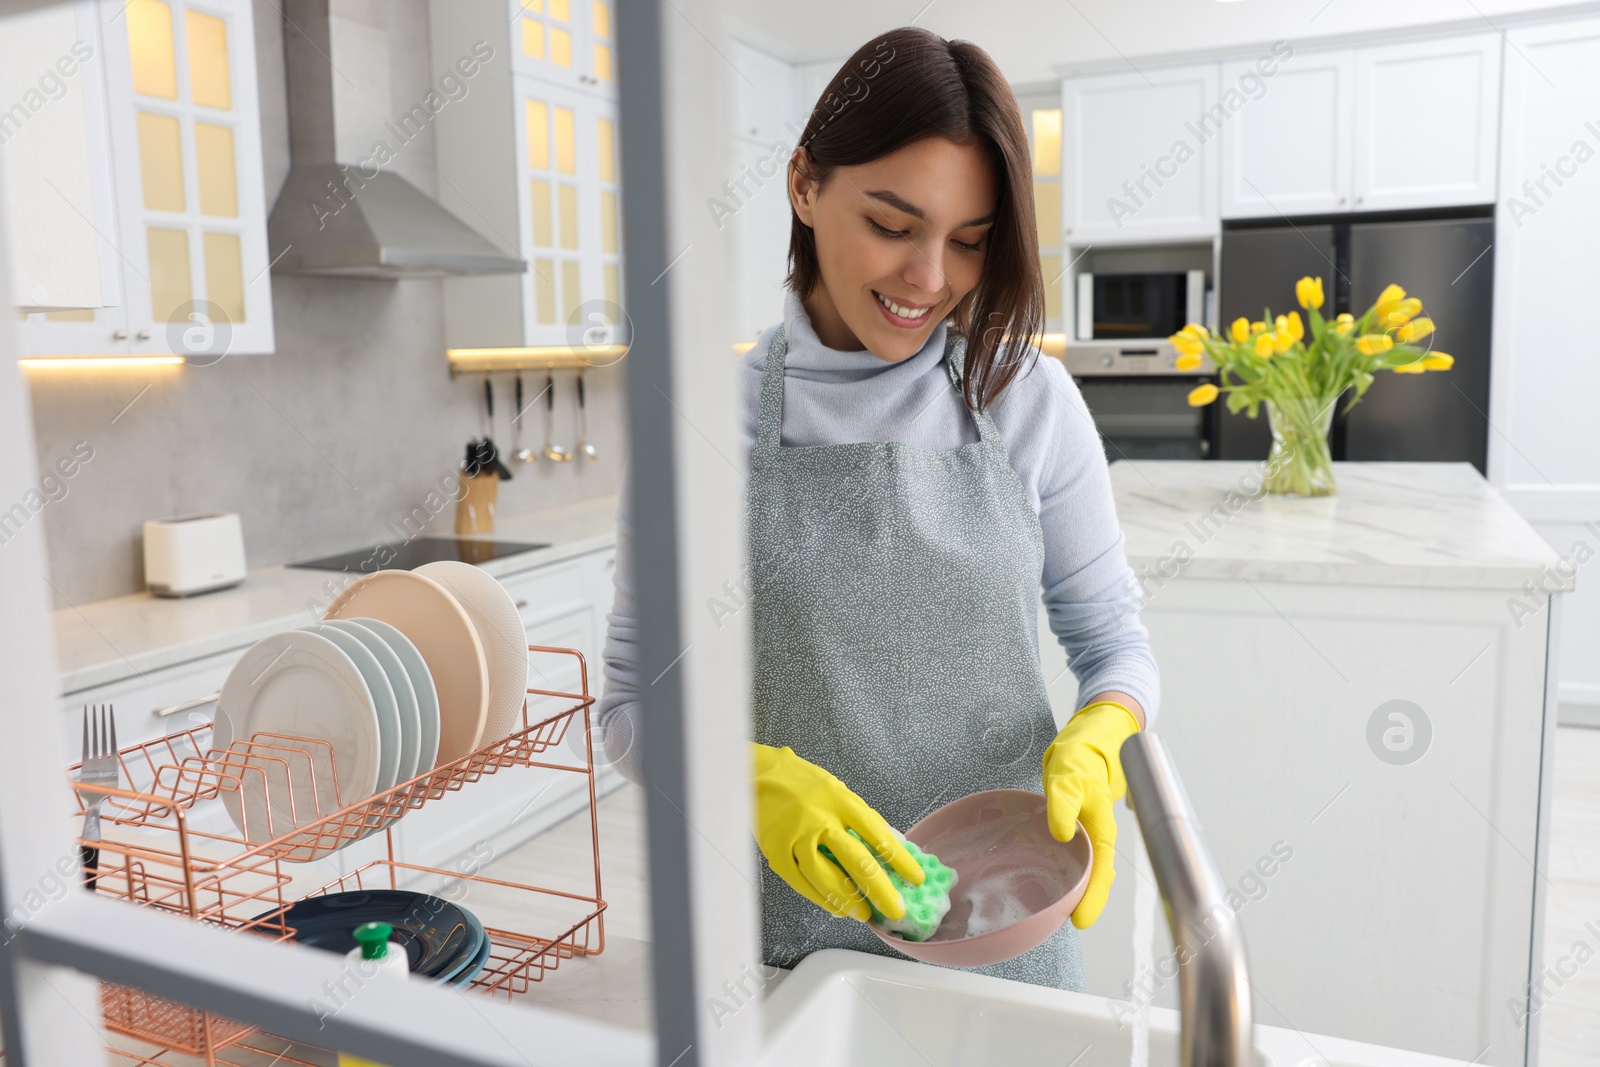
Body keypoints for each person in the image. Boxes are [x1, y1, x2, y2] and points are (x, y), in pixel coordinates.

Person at [596, 25, 1158, 991]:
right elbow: (627, 702)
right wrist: (745, 777)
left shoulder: (1028, 401)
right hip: (784, 957)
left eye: (969, 242)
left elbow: (1114, 642)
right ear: (805, 184)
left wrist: (1107, 726)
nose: (929, 279)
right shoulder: (700, 423)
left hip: (1012, 936)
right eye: (894, 226)